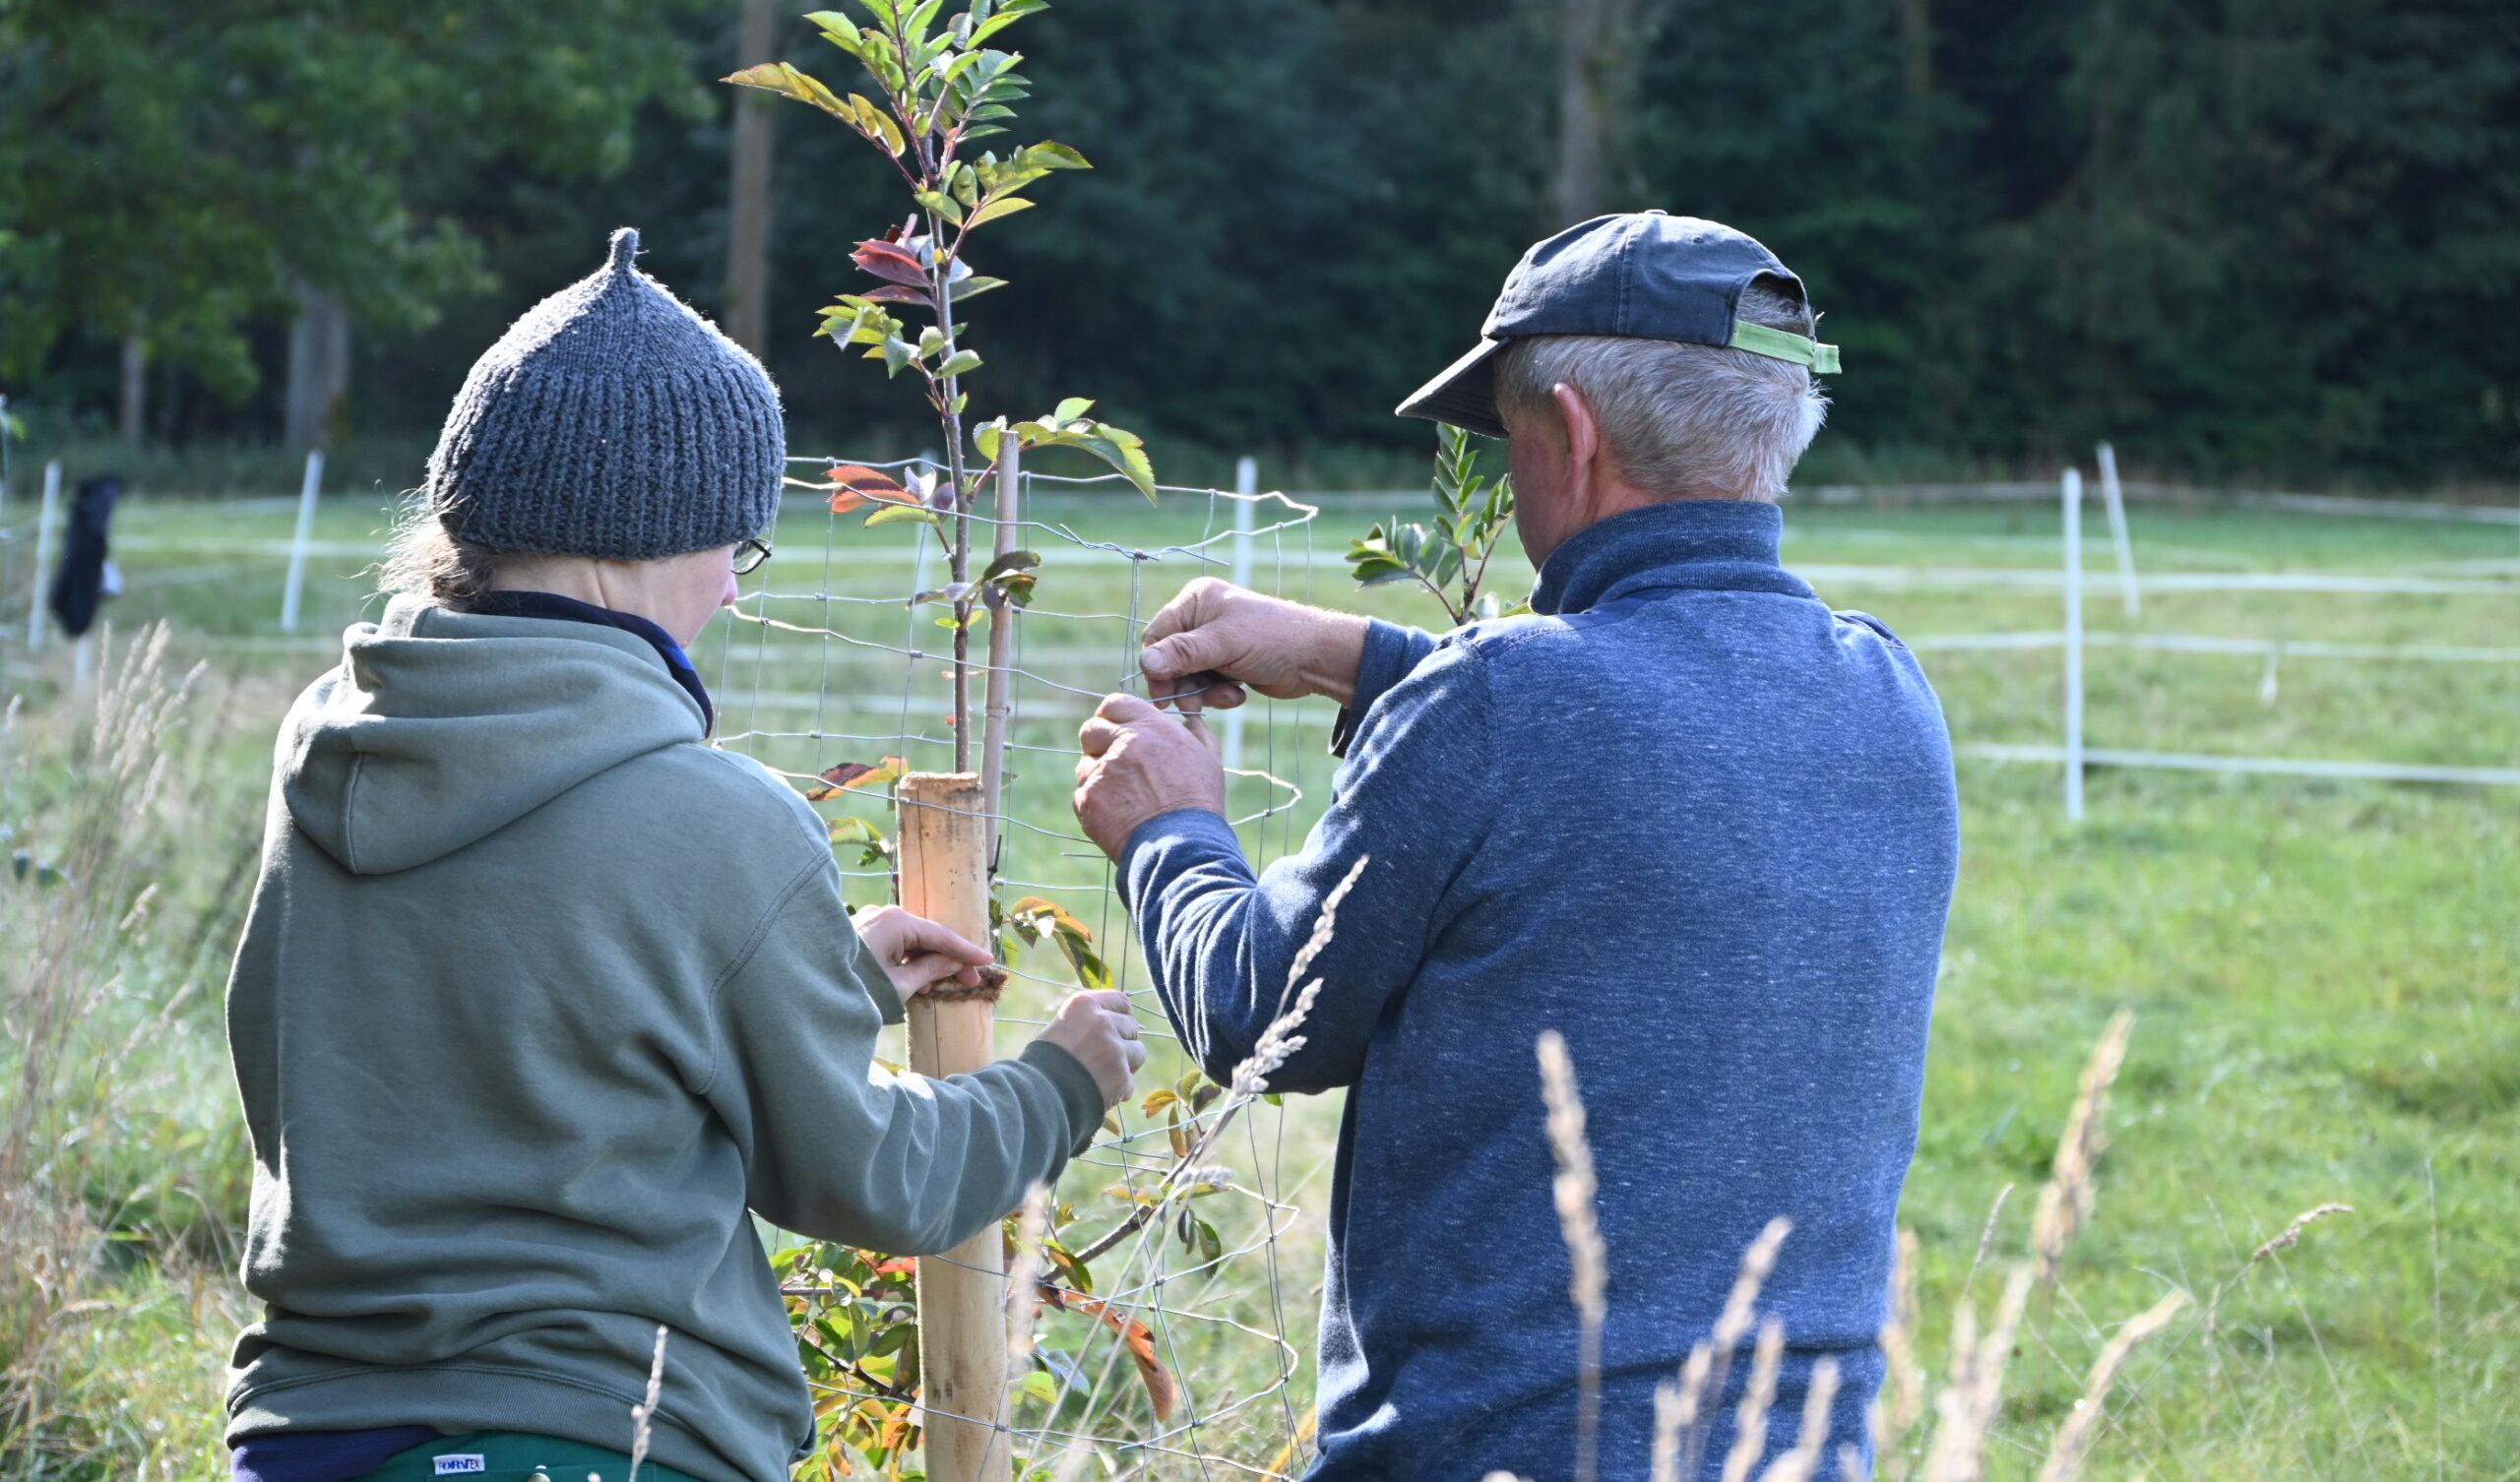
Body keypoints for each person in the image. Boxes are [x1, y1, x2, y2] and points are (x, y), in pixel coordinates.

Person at [223, 229, 1145, 1482]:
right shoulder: (717, 822)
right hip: (602, 1434)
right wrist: (1058, 1085)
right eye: (731, 546)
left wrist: (827, 978)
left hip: (305, 1434)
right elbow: (869, 1178)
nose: (729, 590)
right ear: (641, 536)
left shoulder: (329, 745)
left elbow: (481, 1011)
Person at [1070, 213, 1960, 1480]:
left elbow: (1256, 1014)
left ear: (1577, 437)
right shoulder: (1886, 692)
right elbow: (1654, 711)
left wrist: (1169, 827)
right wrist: (1354, 656)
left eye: (1508, 433)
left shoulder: (1498, 707)